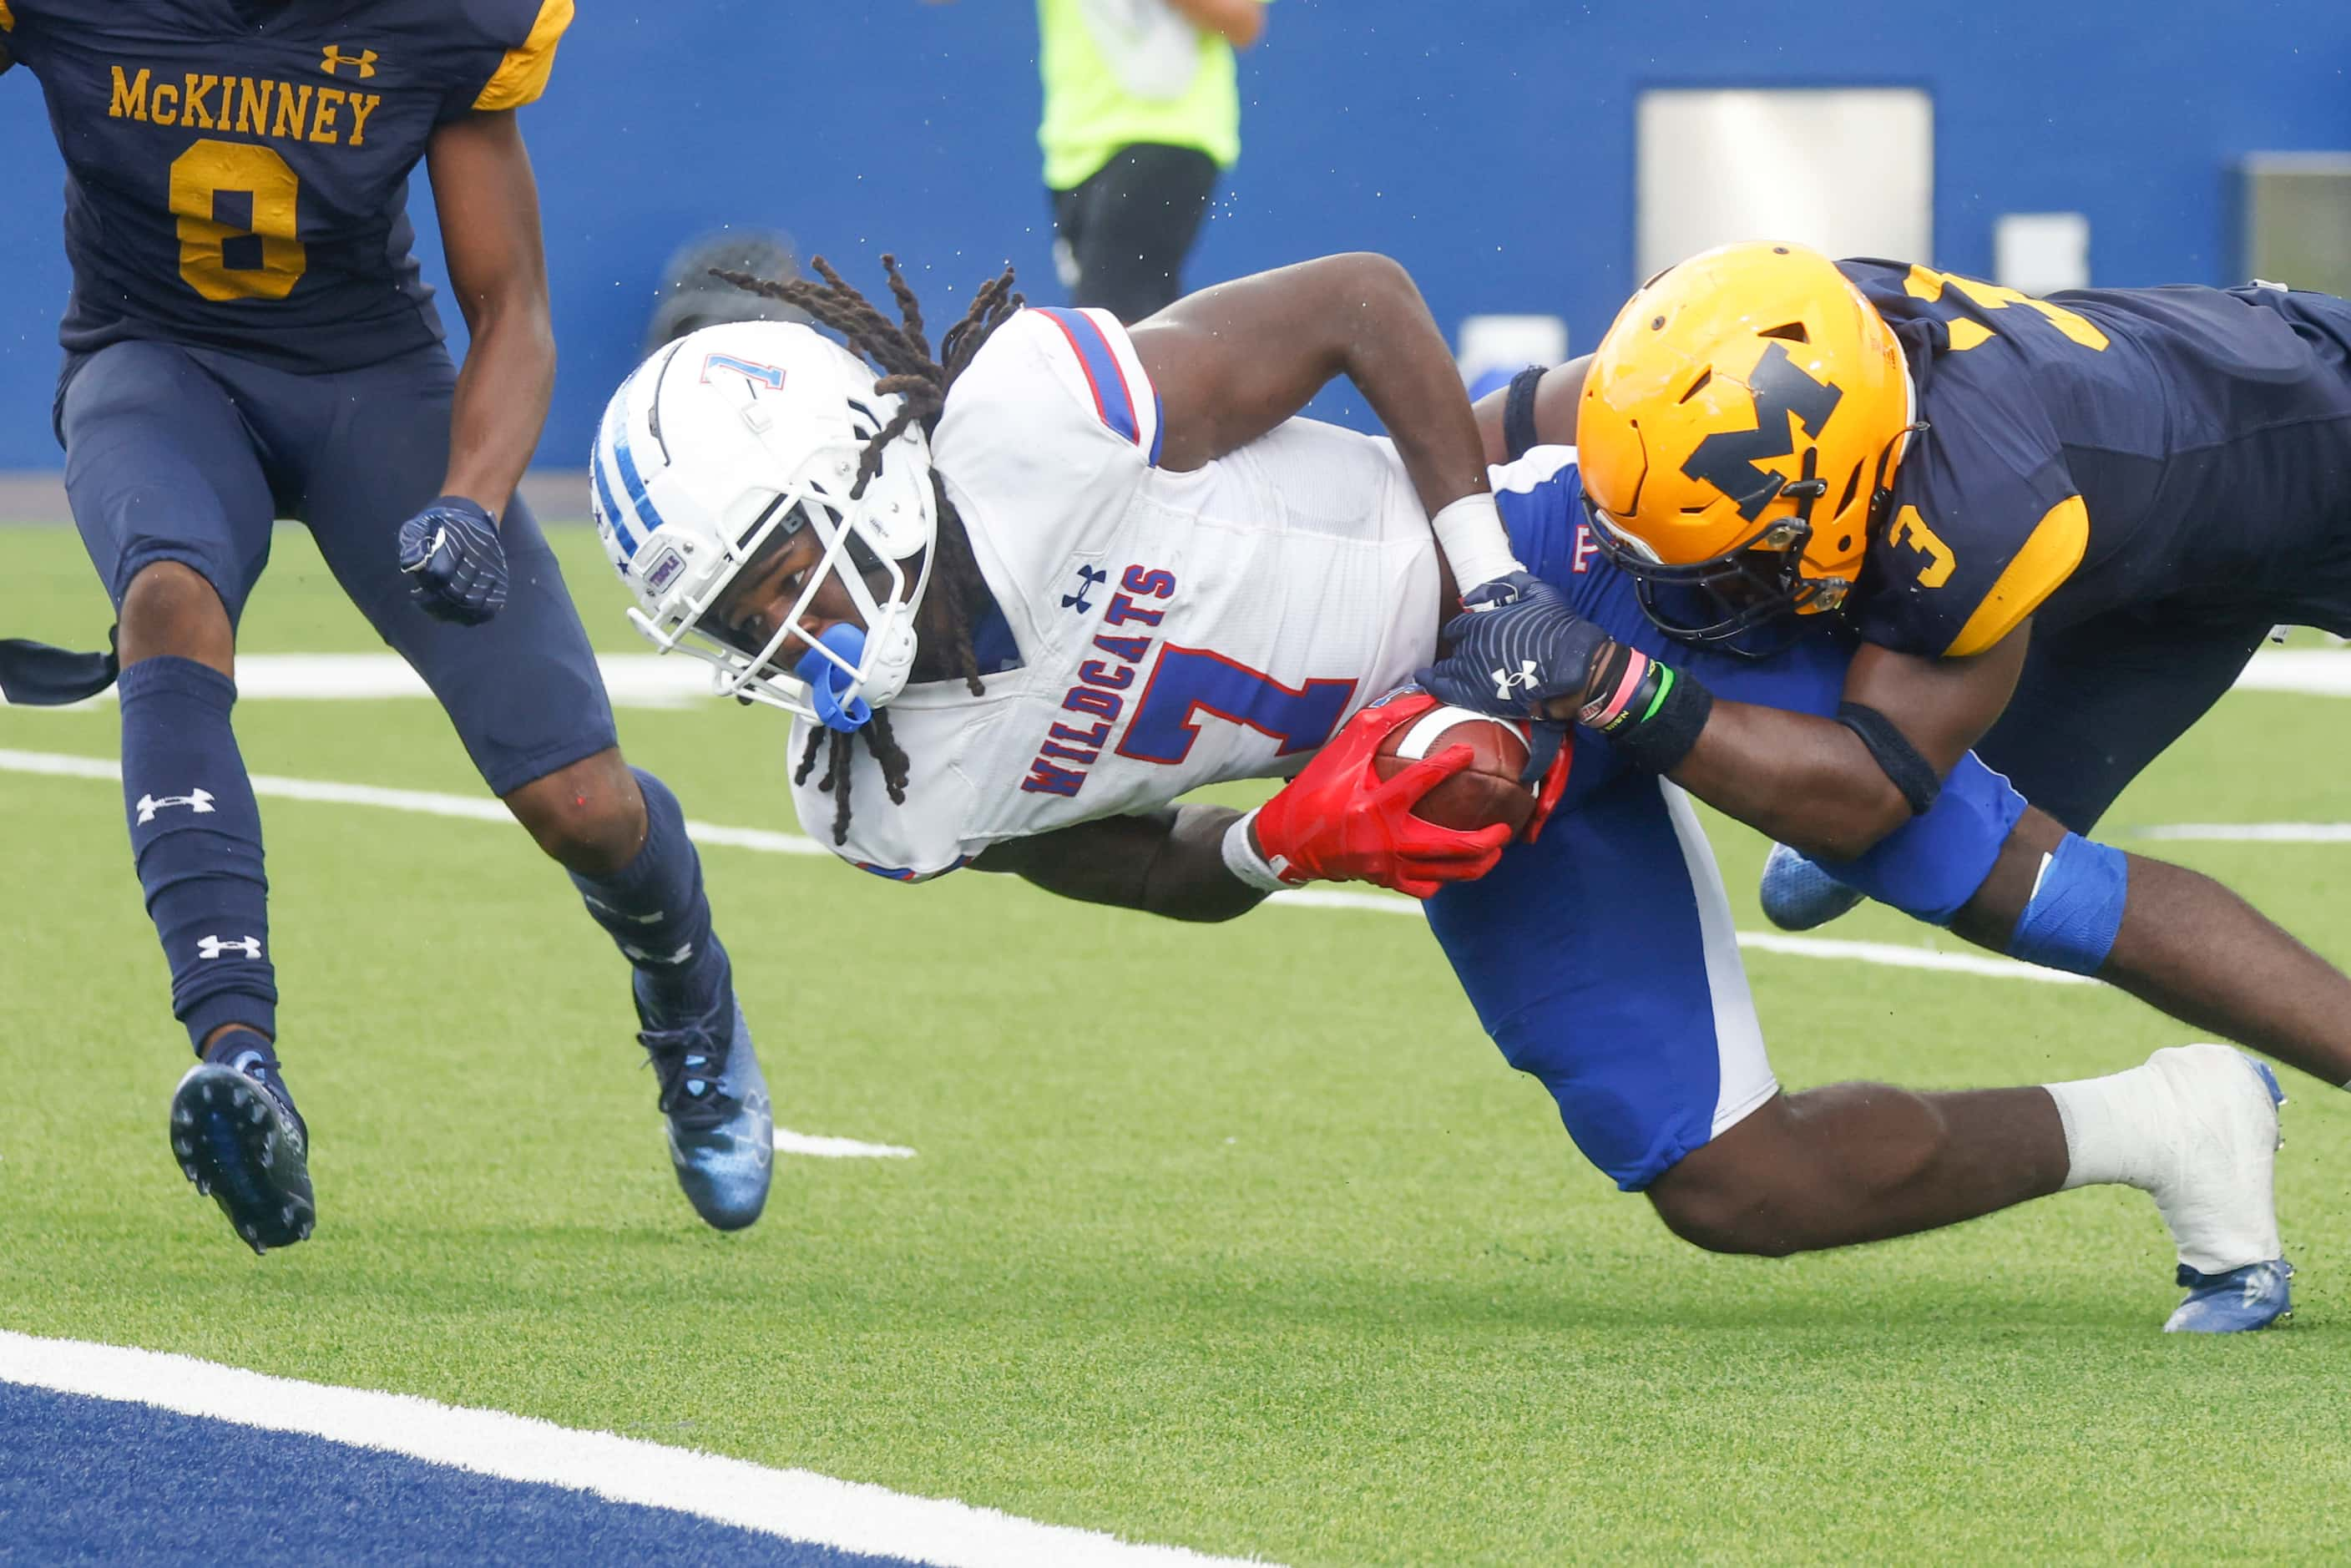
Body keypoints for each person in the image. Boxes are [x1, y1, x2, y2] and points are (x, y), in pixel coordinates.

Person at [589, 251, 2348, 1329]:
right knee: (1727, 1187)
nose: (782, 628)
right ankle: (2171, 1126)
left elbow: (1361, 302)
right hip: (1442, 778)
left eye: (781, 570)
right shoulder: (883, 792)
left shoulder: (1033, 415)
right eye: (735, 616)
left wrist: (1485, 583)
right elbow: (1126, 868)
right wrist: (1284, 841)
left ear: (855, 476)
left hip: (1558, 561)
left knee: (1967, 869)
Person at [0, 0, 773, 1251]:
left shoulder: (432, 17)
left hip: (370, 385)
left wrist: (469, 503)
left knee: (582, 803)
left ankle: (688, 987)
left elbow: (512, 307)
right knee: (167, 598)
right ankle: (244, 1063)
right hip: (154, 360)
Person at [1421, 242, 2351, 953]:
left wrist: (1613, 685)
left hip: (2319, 457)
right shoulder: (1751, 356)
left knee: (1935, 846)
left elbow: (1864, 795)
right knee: (1942, 859)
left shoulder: (1977, 511)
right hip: (2158, 548)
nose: (1700, 594)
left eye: (1747, 556)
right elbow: (1491, 434)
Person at [928, 0, 1266, 323]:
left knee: (1110, 321)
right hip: (1074, 154)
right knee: (1140, 321)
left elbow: (1243, 22)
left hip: (1168, 134)